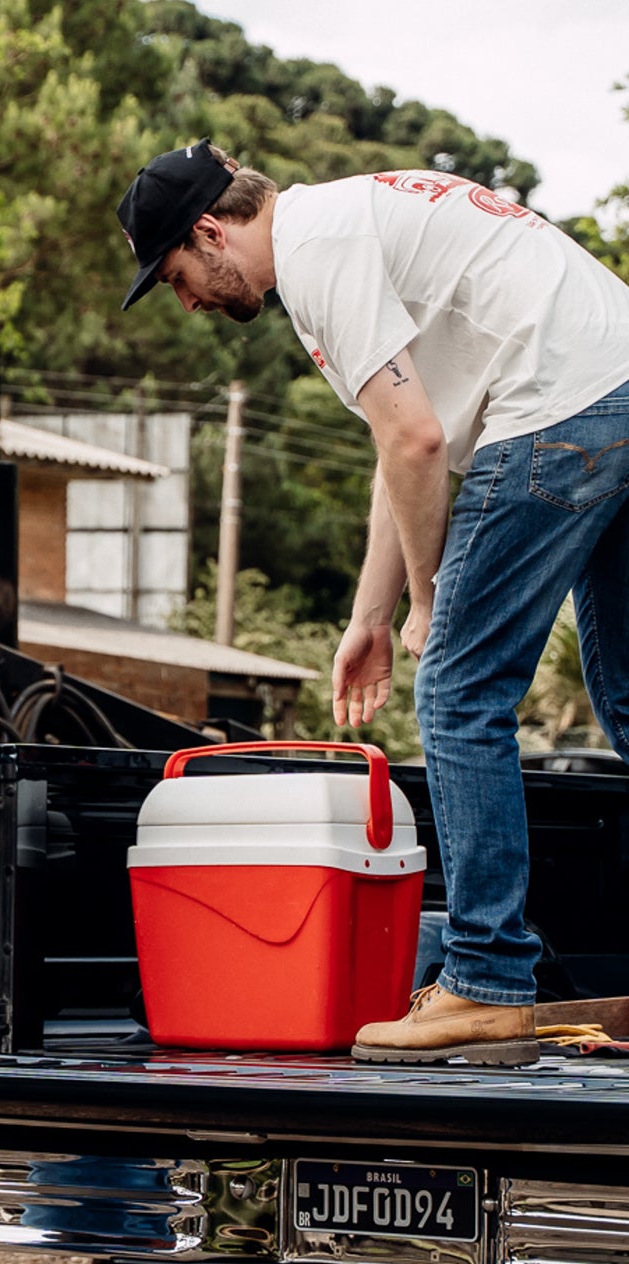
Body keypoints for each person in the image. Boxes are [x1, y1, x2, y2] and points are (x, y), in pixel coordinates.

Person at [116, 139, 629, 1064]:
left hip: (562, 411)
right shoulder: (344, 219)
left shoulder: (317, 252)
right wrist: (370, 617)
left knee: (461, 694)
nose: (188, 301)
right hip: (614, 385)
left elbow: (420, 444)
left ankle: (485, 977)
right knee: (626, 697)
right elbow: (397, 445)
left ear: (209, 231)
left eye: (176, 276)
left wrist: (433, 603)